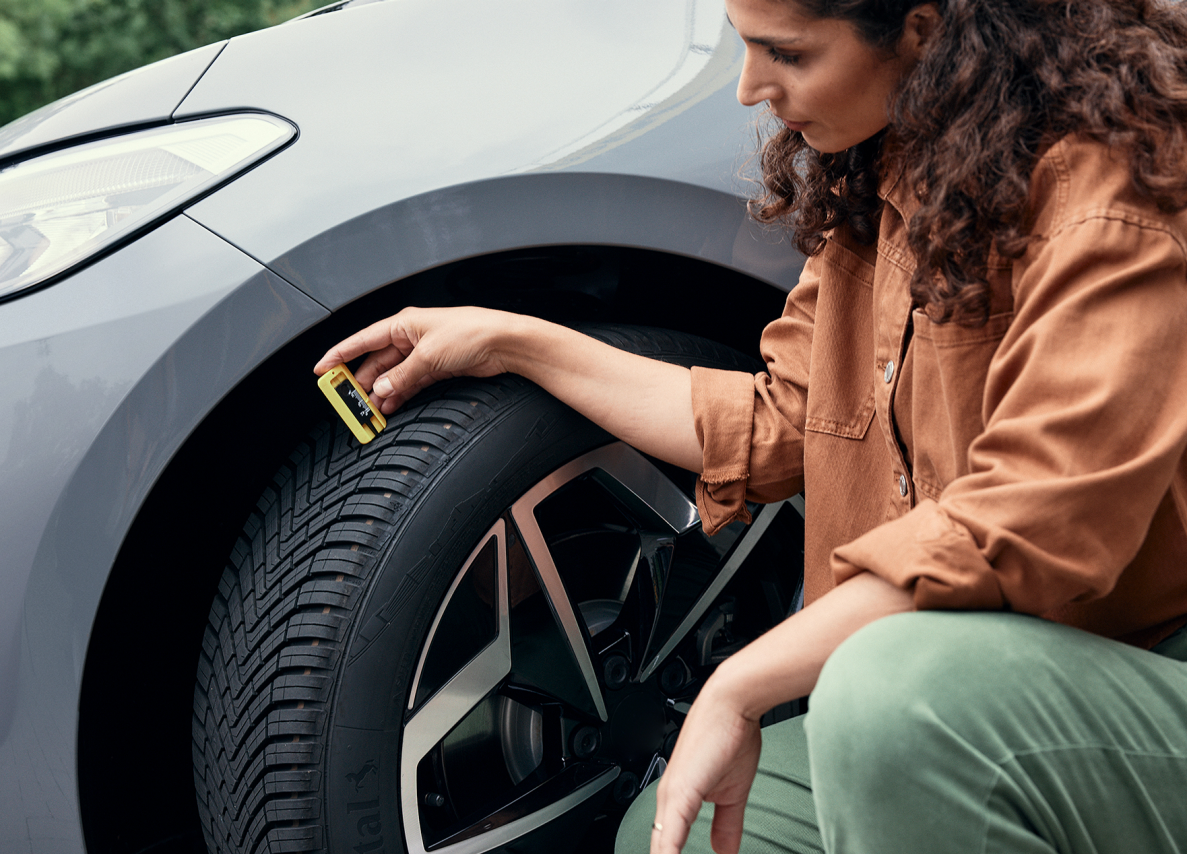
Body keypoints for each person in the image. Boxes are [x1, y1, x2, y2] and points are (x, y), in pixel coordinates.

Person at [314, 0, 1187, 851]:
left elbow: (1036, 520)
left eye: (788, 53)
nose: (749, 88)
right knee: (682, 831)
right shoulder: (891, 172)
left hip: (1141, 668)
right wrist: (514, 342)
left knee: (886, 691)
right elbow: (780, 421)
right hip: (956, 690)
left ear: (926, 30)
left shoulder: (1111, 191)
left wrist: (740, 684)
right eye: (746, 45)